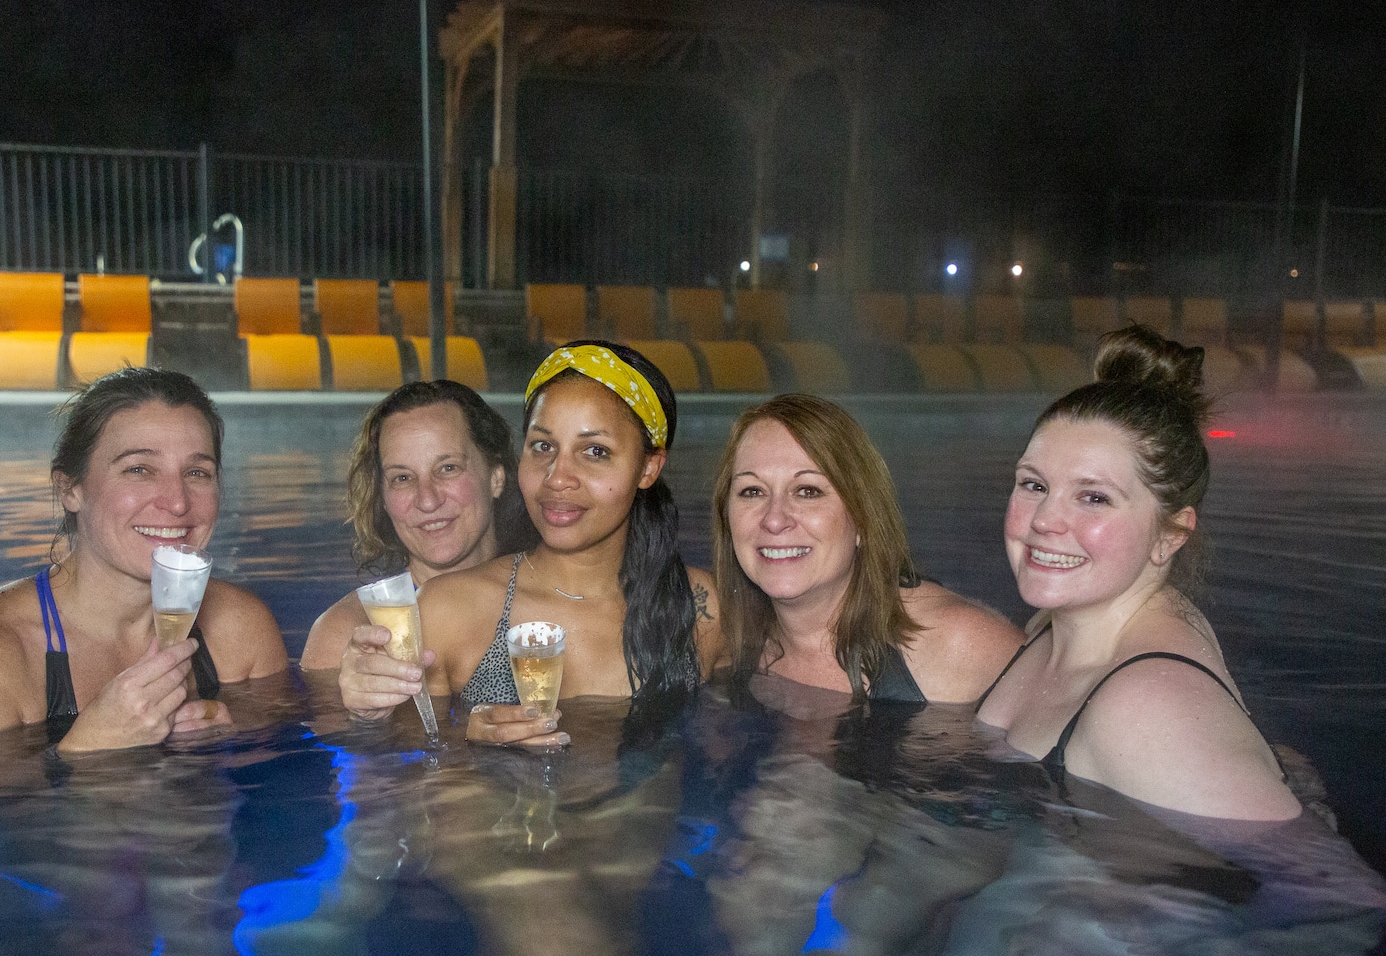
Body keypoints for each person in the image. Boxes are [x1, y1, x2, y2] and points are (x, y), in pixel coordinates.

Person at [975, 324, 1300, 820]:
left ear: (1169, 535)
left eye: (1095, 497)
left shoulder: (1148, 707)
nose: (1044, 520)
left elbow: (1325, 888)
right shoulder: (1056, 625)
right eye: (1033, 485)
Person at [338, 340, 725, 745]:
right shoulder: (448, 610)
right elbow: (400, 779)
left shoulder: (698, 607)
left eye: (595, 451)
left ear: (648, 467)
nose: (557, 477)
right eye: (543, 446)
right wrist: (441, 738)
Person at [0, 367, 288, 752]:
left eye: (197, 472)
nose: (177, 502)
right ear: (70, 489)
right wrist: (87, 751)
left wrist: (223, 753)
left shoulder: (241, 630)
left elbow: (282, 784)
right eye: (139, 469)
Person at [712, 393, 1022, 708]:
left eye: (808, 491)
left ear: (862, 518)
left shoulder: (961, 644)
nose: (775, 520)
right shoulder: (722, 645)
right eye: (752, 491)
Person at [299, 380, 533, 671]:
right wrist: (369, 717)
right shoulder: (347, 635)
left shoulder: (551, 602)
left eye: (448, 468)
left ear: (496, 477)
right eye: (403, 478)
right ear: (382, 498)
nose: (427, 500)